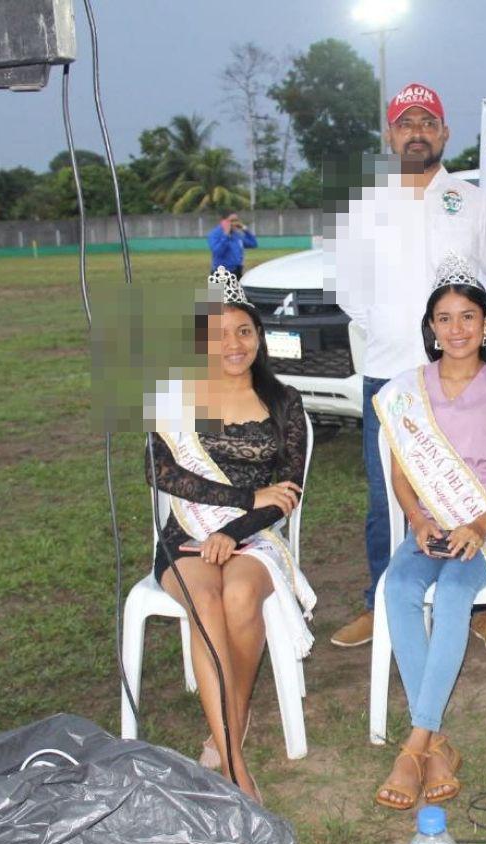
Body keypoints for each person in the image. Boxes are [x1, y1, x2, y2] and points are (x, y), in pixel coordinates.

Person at [329, 82, 486, 654]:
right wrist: (399, 331)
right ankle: (383, 599)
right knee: (384, 498)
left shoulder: (474, 202)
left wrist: (457, 344)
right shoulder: (362, 205)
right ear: (390, 135)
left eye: (427, 122)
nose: (417, 131)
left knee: (476, 481)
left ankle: (485, 604)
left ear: (444, 133)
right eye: (405, 123)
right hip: (390, 373)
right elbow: (348, 290)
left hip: (464, 378)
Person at [372, 256, 486, 810]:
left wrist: (478, 525)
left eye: (467, 317)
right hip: (430, 526)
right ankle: (436, 744)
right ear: (431, 328)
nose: (456, 329)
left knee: (455, 594)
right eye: (444, 318)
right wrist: (420, 520)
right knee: (399, 588)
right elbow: (402, 474)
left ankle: (414, 748)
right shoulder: (409, 390)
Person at [145, 266, 315, 802]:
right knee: (206, 595)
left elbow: (289, 489)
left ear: (259, 337)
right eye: (218, 333)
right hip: (188, 536)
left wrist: (239, 529)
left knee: (240, 593)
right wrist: (240, 501)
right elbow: (161, 472)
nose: (233, 343)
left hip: (254, 536)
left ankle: (225, 732)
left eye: (243, 330)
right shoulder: (178, 397)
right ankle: (236, 764)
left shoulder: (284, 400)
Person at [208, 212, 258, 278]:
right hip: (219, 272)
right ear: (223, 222)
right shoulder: (215, 234)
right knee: (216, 289)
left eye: (236, 220)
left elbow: (253, 244)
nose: (235, 223)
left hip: (236, 272)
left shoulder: (236, 235)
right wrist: (226, 235)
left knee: (237, 288)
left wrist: (245, 229)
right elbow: (217, 252)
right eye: (232, 221)